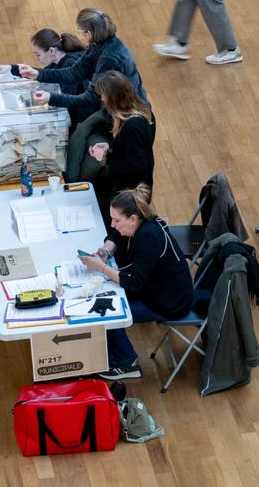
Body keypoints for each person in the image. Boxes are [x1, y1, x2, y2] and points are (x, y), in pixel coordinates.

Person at [83, 184, 195, 380]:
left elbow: (133, 281)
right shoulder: (146, 221)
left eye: (117, 220)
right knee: (104, 296)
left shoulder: (148, 238)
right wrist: (105, 251)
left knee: (106, 312)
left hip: (169, 302)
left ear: (133, 218)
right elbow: (116, 235)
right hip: (158, 289)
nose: (113, 225)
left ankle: (125, 362)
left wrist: (101, 267)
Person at [0, 8, 146, 124]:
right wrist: (37, 73)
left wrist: (51, 98)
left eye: (80, 31)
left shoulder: (108, 59)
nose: (79, 34)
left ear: (89, 33)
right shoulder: (99, 45)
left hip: (127, 115)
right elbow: (73, 73)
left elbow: (90, 99)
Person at [86, 70, 157, 208]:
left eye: (104, 95)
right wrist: (110, 148)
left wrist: (106, 157)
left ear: (114, 98)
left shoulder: (131, 127)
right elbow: (130, 151)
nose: (102, 99)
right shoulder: (138, 113)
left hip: (130, 197)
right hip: (129, 191)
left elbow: (136, 169)